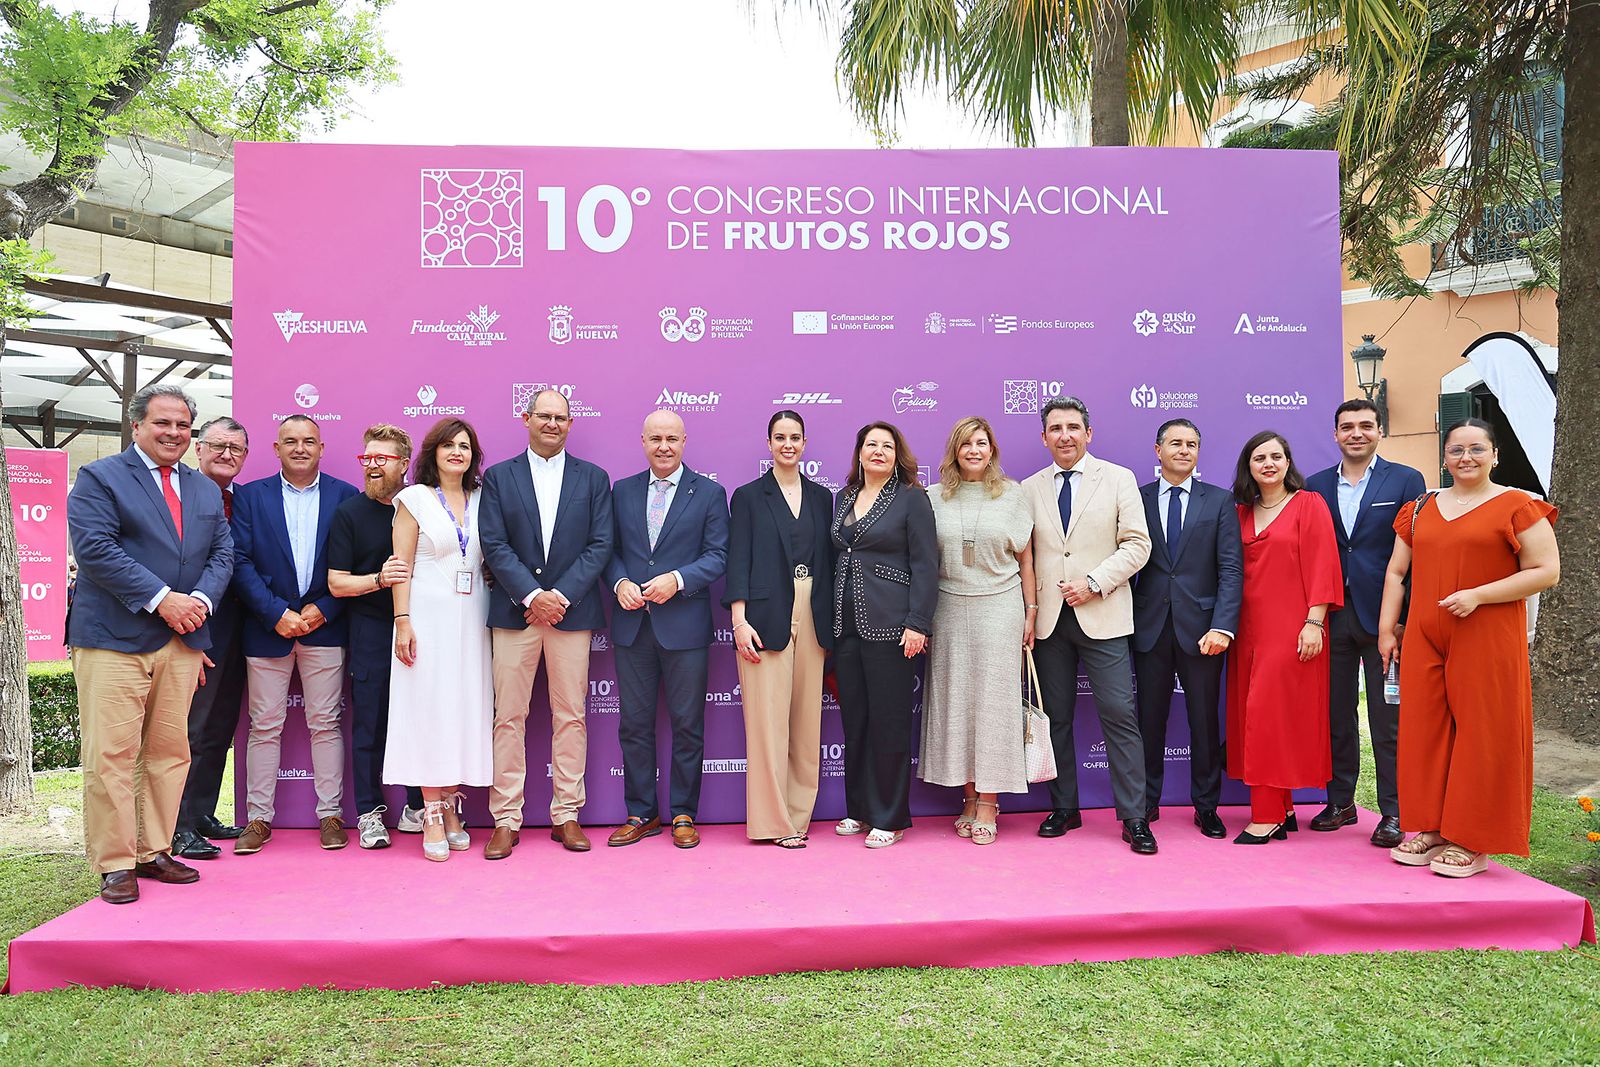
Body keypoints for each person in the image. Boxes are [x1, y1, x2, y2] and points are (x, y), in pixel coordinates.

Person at [66, 384, 233, 904]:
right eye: (163, 423)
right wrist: (164, 600)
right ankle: (116, 862)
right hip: (113, 640)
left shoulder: (203, 488)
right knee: (112, 755)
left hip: (181, 641)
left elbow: (223, 553)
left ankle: (153, 848)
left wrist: (199, 602)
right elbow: (95, 549)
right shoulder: (100, 477)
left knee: (168, 752)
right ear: (136, 425)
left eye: (183, 425)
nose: (174, 434)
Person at [1379, 418, 1559, 877]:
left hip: (1487, 630)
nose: (1466, 458)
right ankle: (1434, 826)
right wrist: (1388, 629)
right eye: (1456, 450)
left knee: (1483, 731)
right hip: (1424, 634)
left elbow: (1545, 570)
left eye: (1477, 449)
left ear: (1495, 455)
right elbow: (1397, 572)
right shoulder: (1420, 508)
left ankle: (1473, 839)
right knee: (1426, 730)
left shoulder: (1518, 505)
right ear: (1444, 458)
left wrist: (1479, 595)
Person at [480, 388, 615, 858]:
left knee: (571, 716)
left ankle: (567, 815)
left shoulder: (594, 478)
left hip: (571, 614)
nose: (552, 423)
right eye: (544, 416)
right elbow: (494, 543)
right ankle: (506, 819)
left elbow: (600, 545)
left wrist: (559, 596)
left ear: (570, 424)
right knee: (509, 717)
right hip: (515, 614)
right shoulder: (498, 476)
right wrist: (533, 596)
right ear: (526, 418)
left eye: (561, 417)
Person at [1022, 397, 1156, 855]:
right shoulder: (1028, 488)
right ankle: (1064, 807)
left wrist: (1095, 582)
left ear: (1089, 433)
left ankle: (1134, 817)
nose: (1065, 435)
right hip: (1049, 622)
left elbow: (1138, 545)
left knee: (1119, 716)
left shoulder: (1118, 479)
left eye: (1073, 427)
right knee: (1055, 718)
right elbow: (1024, 556)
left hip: (1103, 614)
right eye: (1055, 428)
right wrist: (1029, 610)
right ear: (1044, 438)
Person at [230, 416, 358, 854]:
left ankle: (331, 816)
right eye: (291, 441)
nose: (300, 448)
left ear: (322, 447)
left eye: (308, 441)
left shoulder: (345, 496)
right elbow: (239, 561)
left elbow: (355, 567)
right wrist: (275, 613)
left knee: (326, 723)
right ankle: (258, 819)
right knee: (264, 726)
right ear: (276, 448)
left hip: (326, 627)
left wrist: (324, 609)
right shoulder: (249, 496)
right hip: (268, 629)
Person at [605, 409, 729, 849]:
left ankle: (682, 813)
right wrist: (619, 582)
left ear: (684, 441)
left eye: (671, 439)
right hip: (632, 625)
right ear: (642, 441)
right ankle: (641, 812)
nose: (663, 446)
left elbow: (718, 556)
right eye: (655, 438)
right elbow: (608, 549)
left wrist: (676, 580)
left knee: (687, 724)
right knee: (634, 725)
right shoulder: (621, 491)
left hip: (685, 627)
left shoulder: (710, 493)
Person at [1306, 399, 1425, 847]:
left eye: (1365, 426)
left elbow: (1416, 552)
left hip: (1385, 620)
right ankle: (1341, 802)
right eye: (1347, 427)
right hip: (1332, 617)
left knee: (1387, 718)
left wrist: (1402, 621)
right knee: (1336, 716)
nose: (1356, 433)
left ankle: (1394, 812)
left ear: (1379, 432)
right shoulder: (1314, 485)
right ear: (1335, 434)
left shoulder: (1406, 480)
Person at [919, 416, 1036, 846]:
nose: (974, 450)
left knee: (993, 706)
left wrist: (1031, 611)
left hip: (999, 607)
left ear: (992, 450)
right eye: (966, 443)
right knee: (958, 704)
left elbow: (1026, 559)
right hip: (947, 608)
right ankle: (968, 796)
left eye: (981, 443)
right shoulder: (933, 497)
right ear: (954, 449)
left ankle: (989, 801)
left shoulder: (1012, 494)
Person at [386, 418, 496, 861]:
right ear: (432, 452)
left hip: (472, 620)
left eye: (465, 446)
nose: (457, 452)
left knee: (461, 710)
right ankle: (430, 810)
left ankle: (452, 806)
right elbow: (401, 566)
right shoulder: (413, 499)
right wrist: (403, 621)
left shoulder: (484, 500)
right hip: (426, 618)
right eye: (448, 445)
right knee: (428, 708)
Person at [724, 410, 835, 848]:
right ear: (768, 444)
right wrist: (738, 619)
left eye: (795, 437)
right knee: (768, 726)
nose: (788, 444)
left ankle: (798, 819)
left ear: (805, 443)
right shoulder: (749, 496)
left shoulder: (823, 498)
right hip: (763, 618)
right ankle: (773, 823)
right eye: (779, 437)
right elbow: (738, 561)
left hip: (814, 615)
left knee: (807, 725)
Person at [1227, 430, 1343, 845]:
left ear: (1289, 462)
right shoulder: (1239, 513)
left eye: (1277, 456)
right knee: (1255, 715)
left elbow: (1323, 564)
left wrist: (1315, 622)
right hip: (1247, 629)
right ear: (1249, 466)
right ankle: (1286, 807)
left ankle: (1266, 814)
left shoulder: (1309, 505)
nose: (1269, 464)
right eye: (1260, 457)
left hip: (1292, 625)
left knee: (1269, 716)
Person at [1132, 418, 1242, 840]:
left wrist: (1223, 627)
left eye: (1191, 444)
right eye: (1175, 443)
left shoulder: (1218, 501)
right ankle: (1144, 804)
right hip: (1149, 628)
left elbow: (1231, 570)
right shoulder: (1135, 499)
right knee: (1148, 722)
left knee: (1203, 722)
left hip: (1203, 632)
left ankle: (1207, 806)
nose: (1183, 450)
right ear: (1157, 450)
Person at [830, 421, 937, 849]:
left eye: (886, 446)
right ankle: (858, 808)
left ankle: (890, 816)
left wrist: (918, 623)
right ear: (859, 452)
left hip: (893, 625)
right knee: (855, 722)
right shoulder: (844, 498)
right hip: (846, 626)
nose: (878, 451)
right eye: (870, 444)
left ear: (897, 455)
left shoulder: (912, 499)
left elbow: (927, 565)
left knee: (890, 723)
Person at [326, 424, 426, 849]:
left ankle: (419, 807)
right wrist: (379, 580)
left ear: (404, 464)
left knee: (421, 721)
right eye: (366, 458)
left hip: (423, 630)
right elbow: (336, 584)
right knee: (370, 726)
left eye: (381, 459)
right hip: (369, 631)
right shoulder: (349, 513)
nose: (371, 466)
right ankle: (369, 812)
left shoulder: (422, 507)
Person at [172, 416, 250, 860]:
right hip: (192, 629)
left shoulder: (247, 501)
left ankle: (201, 813)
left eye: (235, 449)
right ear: (198, 449)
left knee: (220, 728)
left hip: (238, 630)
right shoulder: (178, 496)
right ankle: (177, 825)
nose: (226, 455)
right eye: (218, 446)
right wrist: (195, 637)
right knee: (191, 730)